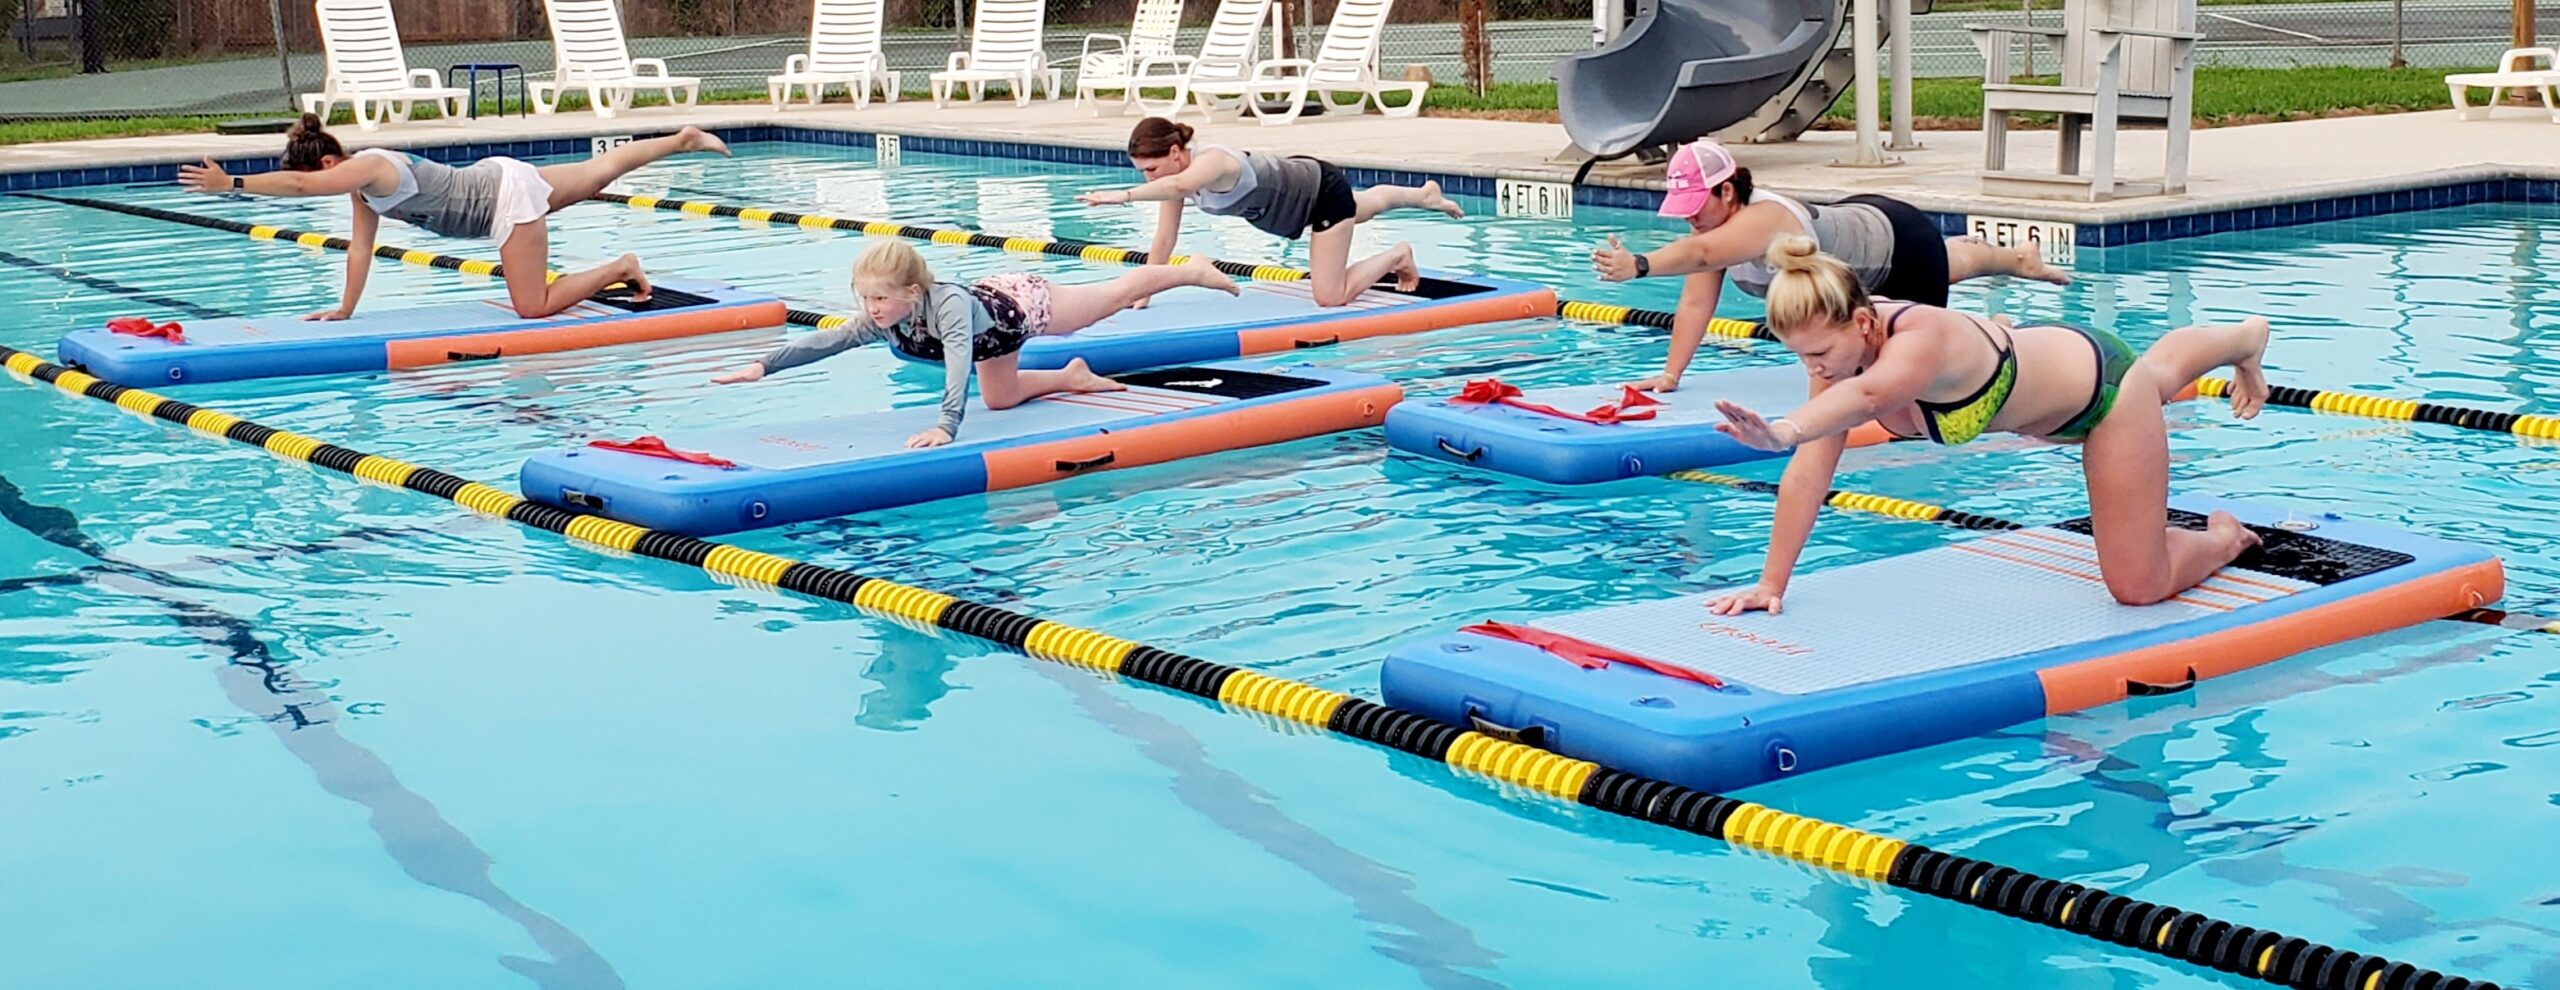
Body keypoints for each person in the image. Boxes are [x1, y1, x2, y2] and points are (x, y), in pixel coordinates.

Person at [1702, 236, 2275, 612]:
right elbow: (1808, 475)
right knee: (2163, 370)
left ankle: (2224, 537)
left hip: (2103, 396)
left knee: (2138, 587)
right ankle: (2241, 340)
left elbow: (1872, 394)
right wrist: (1770, 585)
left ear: (1862, 321)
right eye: (1800, 357)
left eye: (1818, 352)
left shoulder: (1917, 342)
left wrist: (1782, 431)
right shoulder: (1841, 360)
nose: (1813, 369)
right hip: (2044, 395)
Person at [1589, 139, 2071, 393]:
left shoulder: (1763, 218)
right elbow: (1696, 300)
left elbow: (1704, 256)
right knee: (1954, 260)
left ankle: (1997, 328)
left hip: (1899, 248)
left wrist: (1641, 265)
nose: (1689, 218)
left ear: (1728, 192)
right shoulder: (1712, 231)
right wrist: (1671, 376)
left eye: (1696, 205)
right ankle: (2017, 258)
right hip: (1864, 228)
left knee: (1921, 357)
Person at [177, 114, 731, 321]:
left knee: (531, 307)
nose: (324, 186)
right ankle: (681, 139)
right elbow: (360, 248)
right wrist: (345, 309)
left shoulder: (367, 166)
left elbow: (300, 184)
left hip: (502, 202)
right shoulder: (364, 191)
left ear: (329, 162)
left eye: (324, 176)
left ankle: (622, 265)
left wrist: (233, 185)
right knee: (600, 171)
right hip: (498, 181)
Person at [710, 241, 1241, 448]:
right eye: (866, 298)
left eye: (880, 298)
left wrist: (945, 426)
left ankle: (1188, 270)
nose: (871, 309)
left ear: (910, 293)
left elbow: (957, 361)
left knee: (1114, 295)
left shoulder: (946, 308)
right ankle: (1071, 377)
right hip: (996, 340)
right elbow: (829, 342)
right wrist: (762, 366)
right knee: (1002, 400)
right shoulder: (885, 318)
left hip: (1023, 306)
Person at [1075, 117, 1465, 309]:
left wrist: (1122, 196)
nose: (1149, 177)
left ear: (1175, 153)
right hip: (1298, 197)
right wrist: (1144, 293)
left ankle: (1397, 254)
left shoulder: (1211, 162)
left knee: (1330, 296)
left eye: (1151, 169)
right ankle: (1424, 195)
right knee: (1365, 206)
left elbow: (1175, 186)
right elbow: (1164, 239)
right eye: (1142, 173)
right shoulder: (1176, 181)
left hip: (1318, 193)